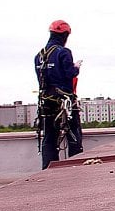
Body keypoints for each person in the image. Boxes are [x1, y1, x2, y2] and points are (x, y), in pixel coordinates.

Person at [34, 19, 83, 169]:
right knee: (73, 135)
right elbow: (69, 73)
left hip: (46, 102)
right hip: (64, 102)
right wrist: (76, 67)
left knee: (49, 138)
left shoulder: (39, 55)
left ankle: (48, 170)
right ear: (65, 35)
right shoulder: (63, 53)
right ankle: (76, 167)